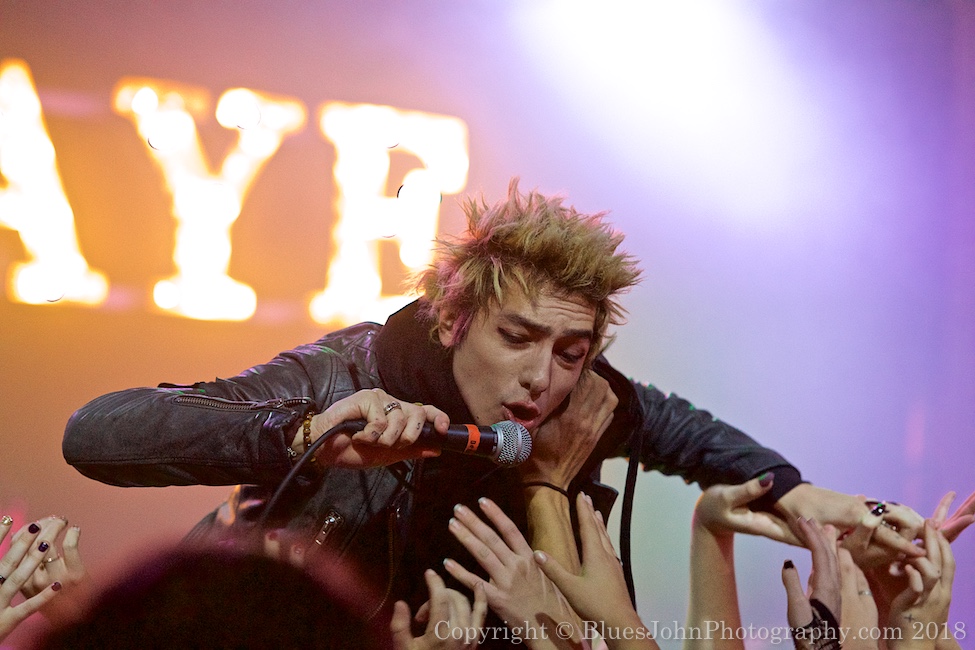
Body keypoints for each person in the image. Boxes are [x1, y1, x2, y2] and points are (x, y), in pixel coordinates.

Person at [62, 179, 921, 642]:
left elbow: (687, 436)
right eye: (516, 336)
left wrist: (805, 498)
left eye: (571, 351)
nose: (542, 378)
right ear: (450, 318)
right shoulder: (347, 374)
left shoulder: (579, 399)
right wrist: (301, 439)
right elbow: (98, 434)